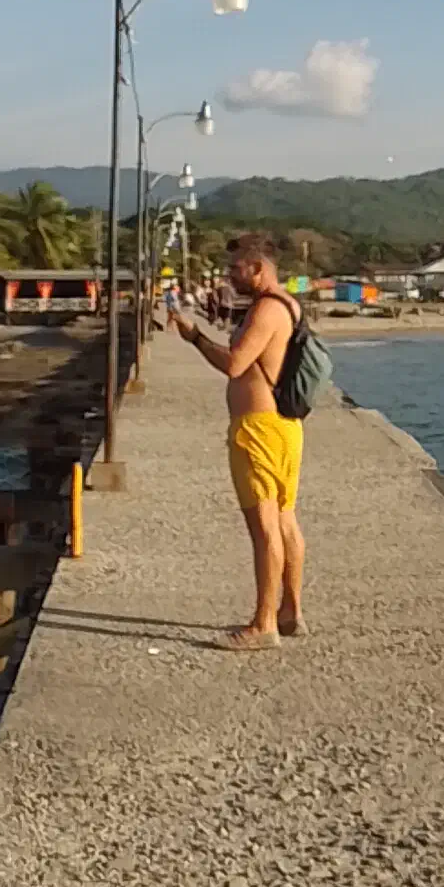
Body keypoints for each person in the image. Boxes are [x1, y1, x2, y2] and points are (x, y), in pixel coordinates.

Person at [170, 235, 313, 651]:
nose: (229, 275)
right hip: (283, 427)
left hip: (258, 428)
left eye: (236, 268)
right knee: (285, 518)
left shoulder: (266, 309)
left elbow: (235, 364)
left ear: (257, 269)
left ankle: (263, 624)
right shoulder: (288, 304)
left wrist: (194, 337)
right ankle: (290, 611)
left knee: (265, 525)